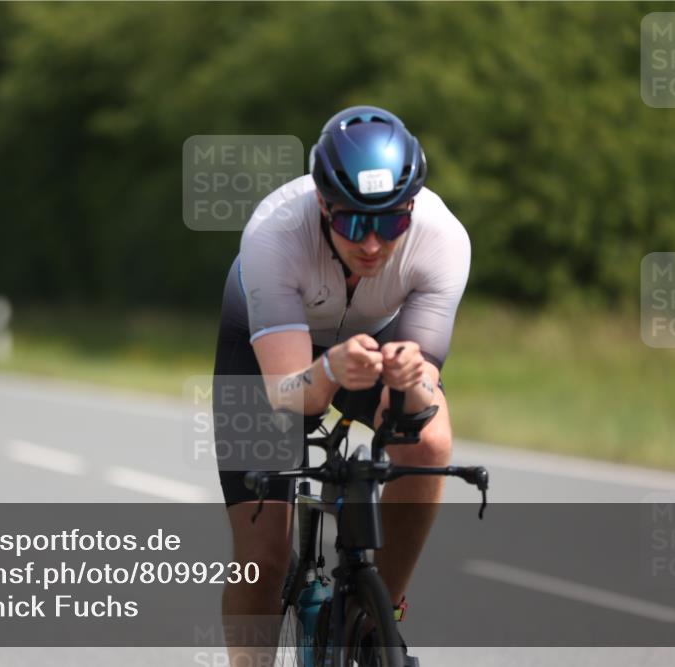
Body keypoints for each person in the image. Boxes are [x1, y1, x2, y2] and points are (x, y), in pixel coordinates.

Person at [213, 105, 470, 665]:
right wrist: (328, 370)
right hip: (274, 355)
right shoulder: (274, 232)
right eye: (354, 222)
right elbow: (286, 393)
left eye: (390, 222)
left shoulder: (443, 238)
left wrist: (411, 378)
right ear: (323, 205)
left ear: (411, 210)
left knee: (427, 438)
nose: (373, 244)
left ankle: (382, 611)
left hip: (376, 342)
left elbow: (419, 394)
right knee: (263, 558)